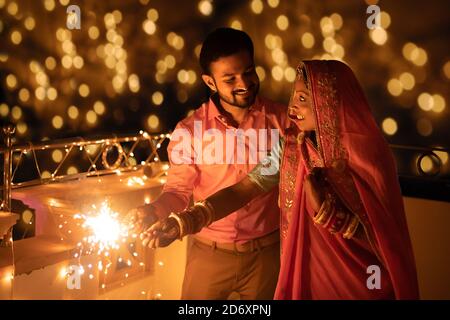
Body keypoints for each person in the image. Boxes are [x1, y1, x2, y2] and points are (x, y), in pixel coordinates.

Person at [142, 60, 420, 300]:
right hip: (310, 271)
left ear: (330, 102)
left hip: (360, 279)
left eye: (303, 99)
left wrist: (326, 210)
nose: (292, 108)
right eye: (293, 97)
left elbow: (384, 237)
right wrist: (185, 222)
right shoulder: (292, 148)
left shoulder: (367, 154)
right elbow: (246, 188)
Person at [128, 28, 288, 299]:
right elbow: (178, 192)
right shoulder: (190, 131)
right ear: (210, 82)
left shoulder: (283, 121)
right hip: (209, 253)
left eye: (248, 72)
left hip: (268, 254)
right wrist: (154, 211)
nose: (244, 83)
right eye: (230, 78)